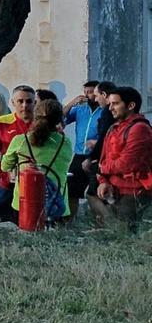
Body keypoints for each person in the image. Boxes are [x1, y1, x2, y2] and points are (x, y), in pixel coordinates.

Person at [90, 87, 152, 231]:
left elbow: (128, 163)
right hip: (114, 190)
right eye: (110, 104)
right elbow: (103, 159)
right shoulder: (113, 128)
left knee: (124, 235)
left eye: (116, 104)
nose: (110, 108)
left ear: (131, 106)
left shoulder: (140, 129)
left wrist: (101, 169)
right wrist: (103, 181)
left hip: (134, 193)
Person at [0, 99, 72, 224]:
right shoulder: (65, 142)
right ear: (59, 119)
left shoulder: (20, 141)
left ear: (35, 116)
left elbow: (4, 166)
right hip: (57, 205)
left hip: (23, 204)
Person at [0, 85, 36, 221]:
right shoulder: (3, 122)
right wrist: (0, 170)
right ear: (13, 103)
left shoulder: (41, 124)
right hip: (8, 181)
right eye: (20, 101)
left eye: (29, 101)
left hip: (34, 181)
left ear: (35, 103)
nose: (24, 105)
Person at [63, 81, 103, 220]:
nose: (87, 95)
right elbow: (61, 119)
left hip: (97, 155)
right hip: (79, 154)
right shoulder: (80, 109)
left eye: (91, 92)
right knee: (72, 190)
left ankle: (100, 222)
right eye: (85, 92)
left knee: (96, 192)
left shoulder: (105, 111)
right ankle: (69, 222)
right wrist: (72, 102)